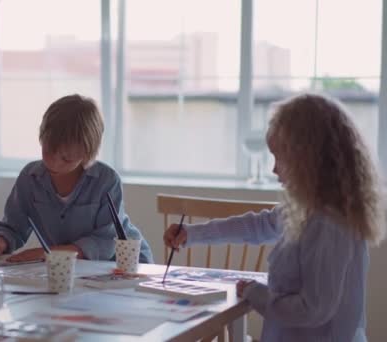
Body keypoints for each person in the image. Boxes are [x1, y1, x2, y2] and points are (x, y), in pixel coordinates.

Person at [164, 93, 384, 342]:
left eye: (280, 157)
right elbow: (258, 225)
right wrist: (191, 234)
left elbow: (313, 310)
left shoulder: (328, 222)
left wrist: (254, 293)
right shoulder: (309, 207)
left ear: (308, 160)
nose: (274, 168)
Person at [0, 94, 153, 263]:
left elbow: (105, 241)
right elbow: (13, 226)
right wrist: (0, 242)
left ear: (87, 155)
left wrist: (48, 253)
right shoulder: (30, 178)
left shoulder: (106, 180)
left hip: (125, 266)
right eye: (48, 151)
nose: (54, 163)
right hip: (71, 269)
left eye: (67, 159)